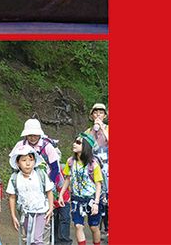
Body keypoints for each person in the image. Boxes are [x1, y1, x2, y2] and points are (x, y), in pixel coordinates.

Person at [12, 118, 70, 244]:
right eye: (30, 134)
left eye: (35, 134)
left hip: (45, 186)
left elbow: (55, 168)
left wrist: (47, 185)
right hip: (26, 189)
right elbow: (14, 166)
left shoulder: (47, 146)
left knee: (44, 224)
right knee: (25, 224)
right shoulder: (20, 146)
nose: (33, 137)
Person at [58, 133, 103, 245]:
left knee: (94, 227)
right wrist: (61, 194)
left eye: (78, 142)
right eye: (75, 141)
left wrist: (96, 203)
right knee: (78, 226)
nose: (74, 144)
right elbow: (68, 179)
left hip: (92, 199)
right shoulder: (70, 162)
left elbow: (98, 184)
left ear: (86, 146)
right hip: (76, 199)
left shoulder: (93, 164)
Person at [7, 145, 54, 245]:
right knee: (28, 239)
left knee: (37, 239)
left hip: (41, 211)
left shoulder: (40, 174)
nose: (28, 163)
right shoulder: (15, 178)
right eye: (24, 160)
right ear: (17, 163)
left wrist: (50, 209)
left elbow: (49, 191)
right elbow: (12, 196)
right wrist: (13, 215)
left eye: (30, 160)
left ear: (35, 161)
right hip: (25, 213)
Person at [84, 103, 109, 235]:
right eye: (96, 112)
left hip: (107, 167)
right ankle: (97, 225)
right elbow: (84, 147)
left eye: (101, 112)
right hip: (93, 167)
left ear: (105, 116)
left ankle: (107, 226)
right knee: (96, 194)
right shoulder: (89, 131)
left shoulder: (108, 129)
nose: (98, 115)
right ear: (92, 115)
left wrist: (103, 129)